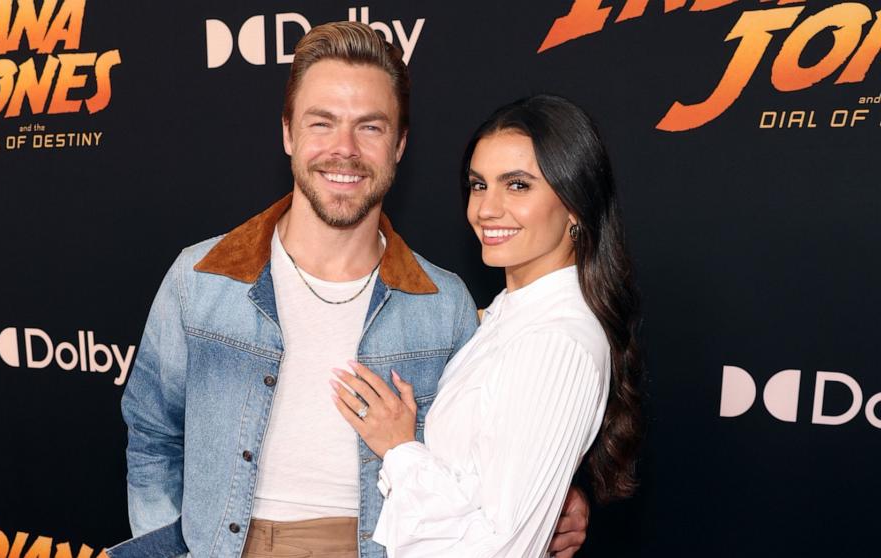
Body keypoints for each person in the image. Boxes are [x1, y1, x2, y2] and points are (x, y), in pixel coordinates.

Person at [109, 23, 589, 558]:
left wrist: (549, 496)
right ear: (288, 133)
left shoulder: (444, 303)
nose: (344, 150)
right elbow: (153, 439)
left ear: (400, 145)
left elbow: (478, 459)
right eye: (323, 123)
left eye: (371, 128)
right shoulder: (200, 279)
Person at [331, 94, 642, 557]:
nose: (487, 209)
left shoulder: (555, 343)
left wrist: (399, 449)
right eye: (479, 185)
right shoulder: (508, 315)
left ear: (575, 204)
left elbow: (500, 548)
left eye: (517, 186)